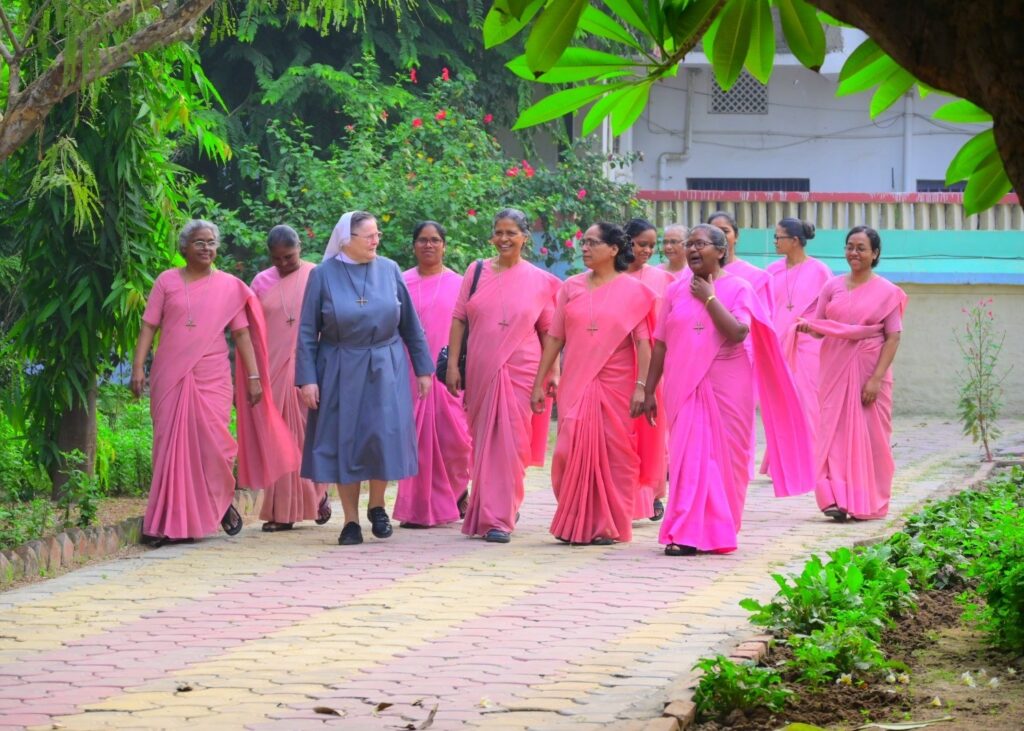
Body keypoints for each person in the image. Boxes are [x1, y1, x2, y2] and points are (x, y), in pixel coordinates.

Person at [639, 225, 813, 556]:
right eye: (688, 244)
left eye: (699, 244)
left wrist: (708, 297)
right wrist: (649, 391)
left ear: (720, 251)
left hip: (728, 386)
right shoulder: (674, 290)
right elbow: (660, 344)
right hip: (684, 385)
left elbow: (736, 332)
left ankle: (718, 528)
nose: (691, 249)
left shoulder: (740, 288)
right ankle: (684, 532)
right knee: (688, 457)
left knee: (724, 460)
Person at [131, 220, 299, 546]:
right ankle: (167, 523)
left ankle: (218, 501)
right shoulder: (166, 281)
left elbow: (241, 334)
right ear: (184, 248)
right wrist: (138, 367)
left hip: (213, 376)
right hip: (171, 374)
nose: (206, 248)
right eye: (199, 242)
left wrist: (252, 379)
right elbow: (149, 326)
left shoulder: (228, 287)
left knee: (215, 446)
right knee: (169, 447)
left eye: (211, 242)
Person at [295, 211, 434, 546]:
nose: (376, 240)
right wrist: (307, 379)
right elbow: (305, 332)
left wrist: (423, 368)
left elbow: (410, 324)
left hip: (386, 364)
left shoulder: (389, 269)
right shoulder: (323, 275)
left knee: (381, 435)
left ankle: (377, 507)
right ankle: (351, 521)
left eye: (377, 234)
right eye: (368, 235)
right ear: (347, 239)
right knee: (346, 439)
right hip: (340, 364)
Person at [531, 223, 655, 545]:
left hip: (618, 384)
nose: (584, 248)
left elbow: (643, 343)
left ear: (613, 249)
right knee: (566, 452)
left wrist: (642, 386)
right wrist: (539, 381)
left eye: (592, 243)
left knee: (616, 456)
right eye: (583, 242)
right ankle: (576, 520)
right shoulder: (570, 287)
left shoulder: (634, 291)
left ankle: (608, 526)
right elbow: (555, 338)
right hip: (577, 381)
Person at [445, 208, 560, 544]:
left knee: (511, 444)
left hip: (522, 368)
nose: (504, 239)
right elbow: (458, 318)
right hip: (480, 366)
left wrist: (552, 373)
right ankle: (489, 508)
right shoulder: (476, 270)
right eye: (499, 232)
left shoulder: (540, 281)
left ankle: (500, 518)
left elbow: (550, 332)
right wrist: (453, 364)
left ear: (525, 238)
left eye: (512, 233)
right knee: (481, 441)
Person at [797, 226, 906, 521]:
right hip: (834, 366)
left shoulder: (888, 292)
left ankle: (867, 500)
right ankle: (834, 497)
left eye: (860, 248)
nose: (853, 253)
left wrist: (876, 378)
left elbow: (893, 337)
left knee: (872, 437)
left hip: (870, 367)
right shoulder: (831, 286)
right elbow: (820, 328)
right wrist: (809, 328)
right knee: (833, 430)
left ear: (875, 254)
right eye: (849, 247)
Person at [250, 225, 330, 532]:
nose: (283, 264)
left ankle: (316, 494)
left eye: (289, 257)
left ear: (300, 249)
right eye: (277, 259)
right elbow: (251, 331)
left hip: (310, 370)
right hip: (272, 368)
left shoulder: (317, 275)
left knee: (309, 437)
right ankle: (281, 511)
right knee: (279, 441)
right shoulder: (260, 282)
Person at [393, 221, 473, 529]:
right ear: (413, 245)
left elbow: (469, 326)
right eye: (423, 240)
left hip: (446, 371)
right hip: (409, 372)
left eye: (435, 240)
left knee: (455, 439)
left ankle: (455, 491)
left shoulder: (459, 282)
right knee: (416, 440)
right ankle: (417, 507)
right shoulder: (399, 282)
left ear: (444, 245)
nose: (429, 245)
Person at [764, 218, 833, 472]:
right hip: (778, 345)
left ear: (794, 241)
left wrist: (811, 324)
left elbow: (829, 308)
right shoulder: (771, 270)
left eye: (778, 237)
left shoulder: (819, 270)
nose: (775, 242)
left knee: (807, 402)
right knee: (781, 403)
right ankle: (783, 463)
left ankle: (812, 462)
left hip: (807, 344)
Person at [624, 217, 675, 521]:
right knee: (624, 431)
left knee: (653, 432)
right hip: (617, 363)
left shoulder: (663, 279)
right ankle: (624, 495)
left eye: (651, 247)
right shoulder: (609, 275)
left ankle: (654, 493)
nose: (647, 251)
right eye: (641, 244)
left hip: (654, 362)